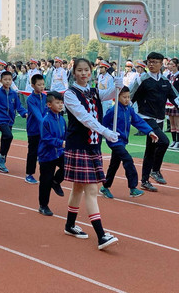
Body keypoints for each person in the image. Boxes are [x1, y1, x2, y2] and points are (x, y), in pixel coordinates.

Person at [62, 58, 120, 250]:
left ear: (91, 71)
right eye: (79, 70)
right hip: (79, 145)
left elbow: (110, 93)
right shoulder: (70, 94)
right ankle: (101, 235)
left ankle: (70, 225)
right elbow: (84, 117)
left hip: (93, 145)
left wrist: (118, 84)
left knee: (78, 188)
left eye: (86, 70)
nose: (83, 73)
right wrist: (105, 131)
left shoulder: (93, 91)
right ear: (74, 73)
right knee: (92, 189)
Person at [129, 52, 179, 191]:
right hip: (146, 118)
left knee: (151, 149)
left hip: (160, 118)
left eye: (155, 62)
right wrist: (124, 110)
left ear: (162, 64)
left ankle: (144, 181)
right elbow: (130, 96)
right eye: (149, 61)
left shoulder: (165, 81)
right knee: (164, 141)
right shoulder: (142, 79)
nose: (151, 64)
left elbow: (174, 96)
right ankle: (155, 170)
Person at [99, 87, 158, 199]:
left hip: (123, 141)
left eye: (128, 97)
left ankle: (105, 187)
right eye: (124, 97)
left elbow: (138, 121)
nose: (127, 99)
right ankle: (133, 188)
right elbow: (103, 124)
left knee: (114, 164)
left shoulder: (129, 110)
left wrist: (150, 131)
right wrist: (107, 134)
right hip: (115, 141)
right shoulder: (113, 111)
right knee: (128, 160)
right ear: (117, 97)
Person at [0, 71, 27, 173]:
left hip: (10, 120)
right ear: (1, 80)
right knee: (9, 136)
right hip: (0, 119)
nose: (8, 81)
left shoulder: (14, 94)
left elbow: (19, 106)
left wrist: (25, 113)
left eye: (9, 79)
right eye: (5, 79)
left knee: (5, 139)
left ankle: (2, 158)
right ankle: (2, 157)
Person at [36, 91, 66, 216]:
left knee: (68, 166)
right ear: (49, 104)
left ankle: (56, 181)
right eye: (57, 103)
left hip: (59, 152)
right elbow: (46, 138)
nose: (60, 105)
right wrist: (60, 143)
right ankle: (43, 205)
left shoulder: (62, 119)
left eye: (61, 103)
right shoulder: (46, 120)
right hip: (47, 155)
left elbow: (65, 134)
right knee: (45, 181)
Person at [24, 74, 46, 184]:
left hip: (44, 130)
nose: (42, 87)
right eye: (39, 85)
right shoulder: (31, 99)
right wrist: (46, 123)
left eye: (43, 84)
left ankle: (45, 174)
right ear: (33, 85)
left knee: (45, 151)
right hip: (34, 129)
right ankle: (29, 174)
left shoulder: (45, 97)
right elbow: (38, 116)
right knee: (32, 152)